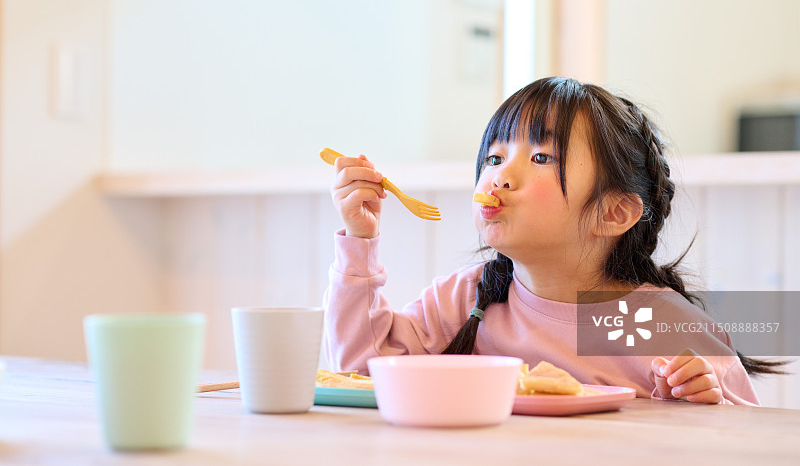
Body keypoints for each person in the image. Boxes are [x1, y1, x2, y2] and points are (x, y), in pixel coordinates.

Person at [323, 77, 774, 405]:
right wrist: (360, 239)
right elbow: (361, 373)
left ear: (614, 213)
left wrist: (703, 401)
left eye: (541, 157)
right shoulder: (464, 300)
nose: (500, 175)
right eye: (494, 157)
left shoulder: (663, 326)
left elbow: (746, 439)